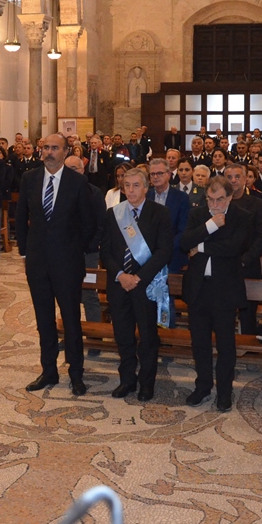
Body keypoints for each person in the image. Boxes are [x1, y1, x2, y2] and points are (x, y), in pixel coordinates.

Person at [17, 134, 96, 395]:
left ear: (65, 152)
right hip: (38, 262)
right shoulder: (30, 179)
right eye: (46, 148)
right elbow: (20, 217)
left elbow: (88, 223)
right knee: (44, 319)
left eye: (54, 148)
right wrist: (25, 251)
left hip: (68, 263)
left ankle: (76, 373)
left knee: (71, 319)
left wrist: (74, 250)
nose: (49, 152)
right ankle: (48, 370)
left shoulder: (77, 182)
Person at [180, 177, 251, 412]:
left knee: (225, 345)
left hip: (225, 290)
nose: (214, 204)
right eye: (210, 199)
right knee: (199, 342)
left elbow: (233, 248)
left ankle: (224, 391)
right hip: (198, 288)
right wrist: (210, 225)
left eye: (220, 199)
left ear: (230, 197)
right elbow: (184, 242)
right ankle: (202, 387)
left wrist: (200, 247)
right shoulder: (198, 214)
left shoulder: (242, 216)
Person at [101, 168, 172, 401]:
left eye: (135, 185)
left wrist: (139, 277)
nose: (130, 190)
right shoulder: (114, 213)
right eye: (126, 186)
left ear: (146, 187)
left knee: (149, 338)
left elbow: (164, 251)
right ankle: (127, 380)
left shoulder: (160, 213)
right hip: (119, 285)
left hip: (146, 286)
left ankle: (147, 383)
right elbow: (106, 251)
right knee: (123, 336)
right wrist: (121, 275)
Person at [223, 163, 262, 335]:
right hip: (224, 265)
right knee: (224, 312)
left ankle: (250, 349)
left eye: (237, 176)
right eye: (229, 177)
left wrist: (244, 260)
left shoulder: (257, 203)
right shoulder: (218, 202)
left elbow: (261, 236)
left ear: (245, 179)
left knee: (248, 313)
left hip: (247, 265)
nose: (233, 180)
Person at [65, 155, 107, 325]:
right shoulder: (60, 193)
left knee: (89, 293)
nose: (70, 173)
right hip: (66, 251)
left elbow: (101, 224)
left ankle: (95, 336)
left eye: (74, 169)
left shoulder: (94, 192)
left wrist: (90, 245)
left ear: (82, 170)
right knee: (67, 293)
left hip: (88, 252)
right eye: (67, 169)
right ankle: (69, 334)